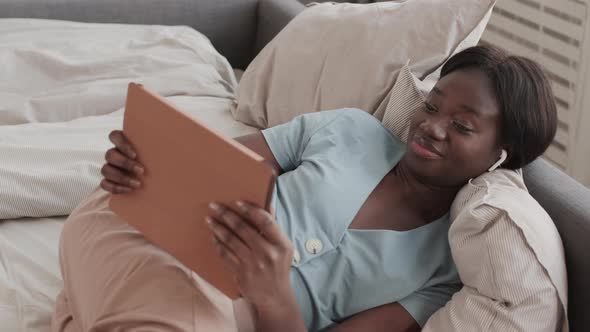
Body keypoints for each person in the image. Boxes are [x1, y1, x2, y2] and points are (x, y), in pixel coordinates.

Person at [52, 45, 558, 332]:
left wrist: (272, 294)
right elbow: (199, 163)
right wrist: (142, 167)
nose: (432, 127)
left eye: (463, 126)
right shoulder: (350, 129)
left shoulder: (441, 275)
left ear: (500, 157)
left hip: (216, 314)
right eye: (432, 106)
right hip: (144, 232)